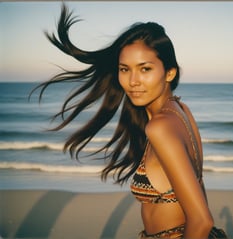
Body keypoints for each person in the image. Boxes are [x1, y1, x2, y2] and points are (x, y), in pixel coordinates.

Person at [35, 4, 216, 239]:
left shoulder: (160, 126)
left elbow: (201, 221)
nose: (133, 81)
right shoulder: (181, 110)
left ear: (169, 73)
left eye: (145, 69)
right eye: (124, 69)